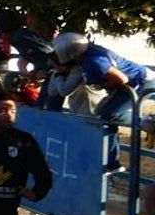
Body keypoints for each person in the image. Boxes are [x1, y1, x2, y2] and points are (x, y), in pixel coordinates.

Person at [48, 33, 155, 172]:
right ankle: (113, 161)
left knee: (107, 115)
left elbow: (121, 79)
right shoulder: (88, 55)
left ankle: (146, 124)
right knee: (105, 115)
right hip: (137, 82)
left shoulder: (93, 61)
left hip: (140, 83)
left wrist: (104, 85)